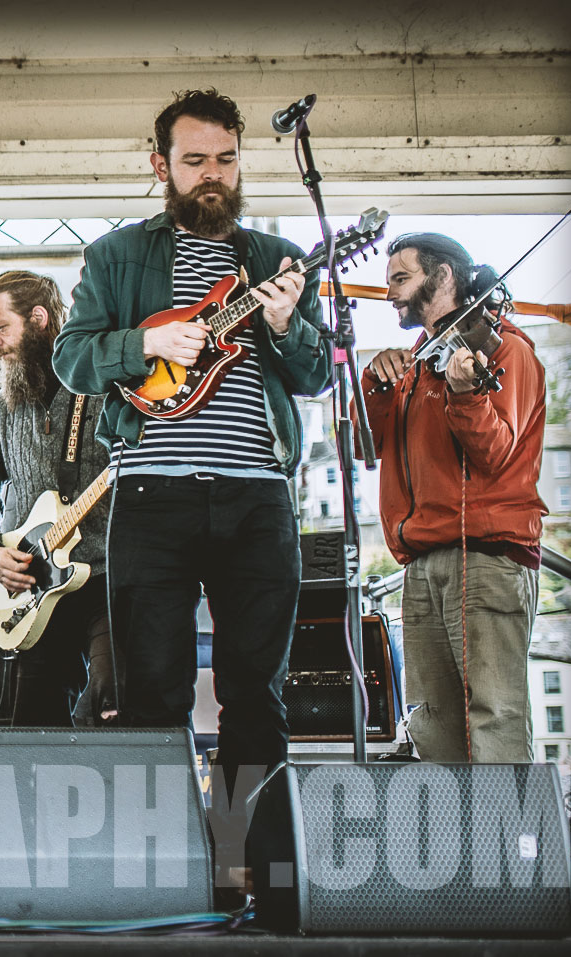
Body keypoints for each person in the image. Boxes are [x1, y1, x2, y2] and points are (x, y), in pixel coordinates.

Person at [51, 88, 330, 809]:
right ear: (161, 164)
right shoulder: (117, 255)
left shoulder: (278, 259)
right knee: (152, 690)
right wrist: (145, 342)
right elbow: (73, 360)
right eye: (196, 160)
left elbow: (316, 372)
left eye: (227, 160)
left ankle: (248, 860)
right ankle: (163, 865)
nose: (213, 174)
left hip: (258, 497)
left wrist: (287, 323)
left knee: (257, 692)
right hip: (152, 494)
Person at [363, 231, 545, 763]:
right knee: (432, 722)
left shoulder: (505, 348)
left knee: (496, 715)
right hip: (422, 564)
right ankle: (454, 845)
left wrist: (466, 395)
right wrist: (376, 384)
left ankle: (506, 847)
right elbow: (362, 444)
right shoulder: (418, 362)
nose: (391, 293)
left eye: (401, 279)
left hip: (485, 557)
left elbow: (496, 454)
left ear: (443, 277)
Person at [0, 270, 114, 726]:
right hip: (31, 588)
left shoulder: (102, 388)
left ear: (39, 318)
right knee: (30, 722)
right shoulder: (0, 407)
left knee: (112, 702)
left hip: (105, 578)